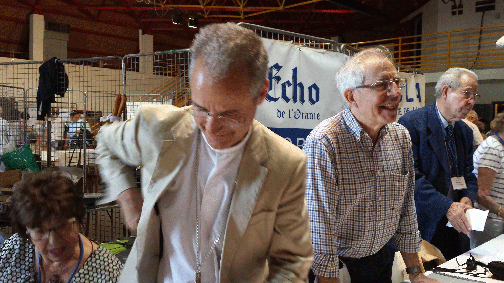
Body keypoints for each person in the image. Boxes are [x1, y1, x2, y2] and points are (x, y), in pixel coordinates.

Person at [95, 23, 313, 283]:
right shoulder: (158, 128)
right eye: (200, 108)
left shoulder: (286, 164)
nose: (211, 128)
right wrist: (128, 199)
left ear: (262, 93)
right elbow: (106, 143)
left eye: (229, 115)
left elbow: (293, 260)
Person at [304, 48, 438, 283]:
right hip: (335, 269)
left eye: (396, 82)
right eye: (382, 84)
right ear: (351, 96)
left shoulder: (400, 136)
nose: (395, 92)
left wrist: (416, 273)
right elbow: (319, 231)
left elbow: (406, 210)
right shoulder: (325, 142)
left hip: (379, 261)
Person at [398, 67, 479, 261]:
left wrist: (467, 197)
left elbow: (469, 174)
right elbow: (410, 177)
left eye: (474, 95)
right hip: (424, 225)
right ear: (445, 91)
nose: (472, 101)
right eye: (466, 93)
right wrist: (446, 207)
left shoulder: (465, 132)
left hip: (456, 227)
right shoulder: (412, 124)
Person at [0, 170, 123, 282]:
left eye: (62, 227)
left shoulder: (107, 273)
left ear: (79, 222)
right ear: (26, 228)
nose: (54, 242)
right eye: (40, 231)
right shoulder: (14, 250)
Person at [471, 113, 504, 248]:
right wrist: (501, 210)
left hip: (495, 219)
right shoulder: (493, 148)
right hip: (489, 221)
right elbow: (480, 193)